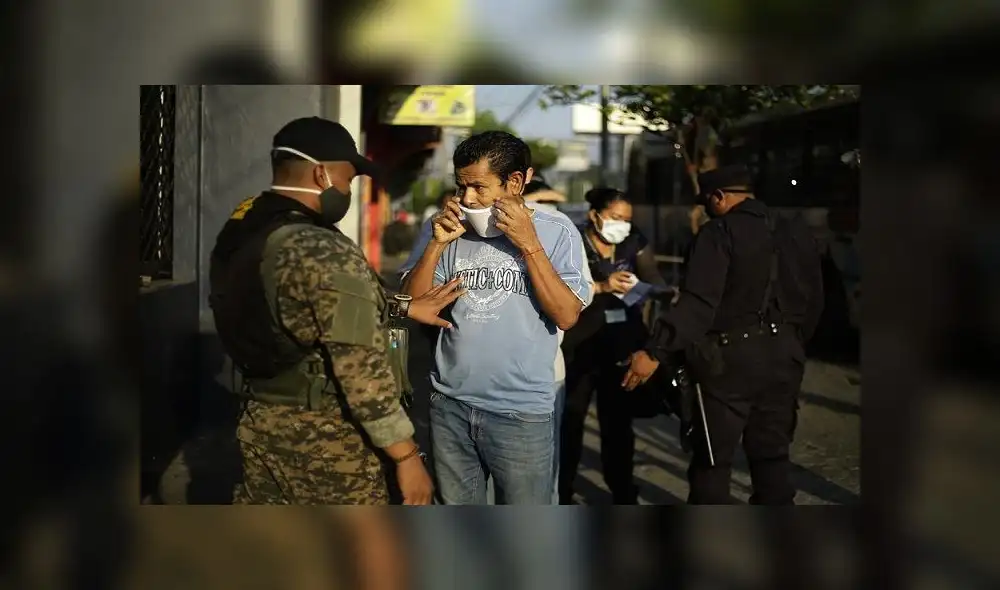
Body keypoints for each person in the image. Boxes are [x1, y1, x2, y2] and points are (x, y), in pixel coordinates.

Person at [209, 116, 466, 505]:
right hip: (328, 440)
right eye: (348, 180)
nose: (348, 191)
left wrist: (402, 307)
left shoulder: (245, 222)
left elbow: (296, 305)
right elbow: (360, 369)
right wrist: (407, 456)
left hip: (261, 419)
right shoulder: (321, 247)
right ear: (320, 174)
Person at [402, 130, 591, 505]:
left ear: (516, 181)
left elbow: (567, 315)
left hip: (520, 413)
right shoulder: (444, 226)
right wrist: (438, 243)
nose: (466, 198)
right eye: (460, 186)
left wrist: (528, 243)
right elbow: (416, 304)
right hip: (449, 404)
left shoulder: (556, 232)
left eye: (478, 188)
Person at [621, 164, 824, 504]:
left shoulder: (718, 234)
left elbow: (698, 305)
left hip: (727, 362)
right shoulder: (795, 231)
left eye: (706, 202)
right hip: (784, 356)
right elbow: (815, 298)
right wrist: (792, 343)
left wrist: (655, 351)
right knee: (772, 458)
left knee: (713, 461)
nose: (705, 210)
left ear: (719, 196)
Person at [558, 187, 673, 505]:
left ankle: (622, 491)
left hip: (623, 344)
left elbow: (658, 285)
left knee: (618, 425)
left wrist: (647, 289)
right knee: (570, 421)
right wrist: (601, 285)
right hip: (577, 345)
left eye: (627, 219)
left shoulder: (634, 240)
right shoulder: (572, 241)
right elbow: (557, 291)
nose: (621, 225)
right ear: (595, 215)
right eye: (615, 218)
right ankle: (562, 490)